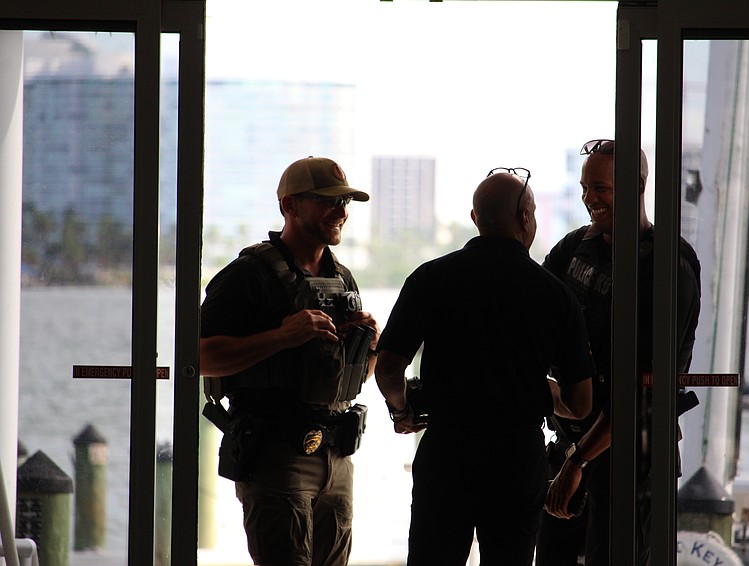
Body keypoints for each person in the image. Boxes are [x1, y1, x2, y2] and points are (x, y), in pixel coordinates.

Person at [374, 167, 596, 566]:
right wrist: (549, 395)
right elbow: (581, 403)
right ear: (526, 218)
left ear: (476, 219)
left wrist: (403, 408)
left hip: (447, 453)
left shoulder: (431, 278)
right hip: (517, 458)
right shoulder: (556, 295)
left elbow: (388, 367)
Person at [199, 156, 381, 566]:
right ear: (290, 206)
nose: (341, 212)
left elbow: (352, 381)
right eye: (328, 201)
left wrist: (367, 348)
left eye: (345, 203)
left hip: (337, 458)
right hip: (276, 457)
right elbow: (201, 356)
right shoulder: (248, 275)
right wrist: (283, 336)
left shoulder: (342, 278)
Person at [540, 139, 701, 566]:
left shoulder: (669, 265)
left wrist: (578, 460)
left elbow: (641, 394)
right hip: (572, 450)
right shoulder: (573, 249)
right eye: (585, 187)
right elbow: (529, 322)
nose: (589, 198)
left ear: (638, 187)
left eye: (601, 189)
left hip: (633, 461)